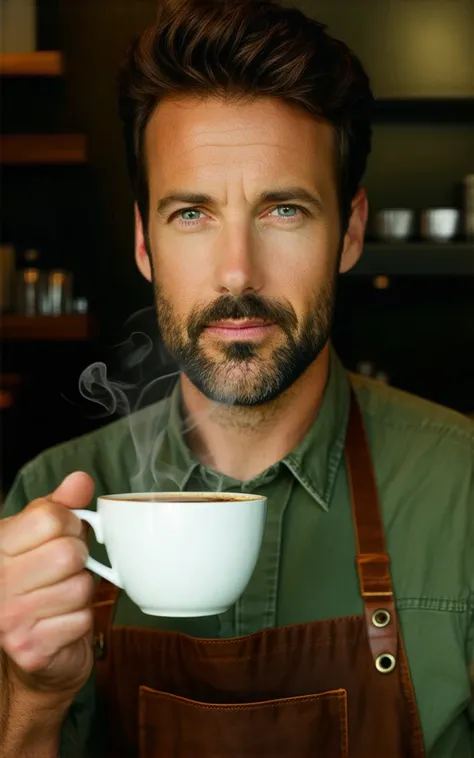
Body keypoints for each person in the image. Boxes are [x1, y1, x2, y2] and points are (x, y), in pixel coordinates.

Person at [1, 0, 473, 755]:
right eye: (192, 214)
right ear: (143, 242)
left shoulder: (464, 490)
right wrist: (29, 700)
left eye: (283, 209)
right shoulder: (44, 504)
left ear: (349, 232)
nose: (237, 273)